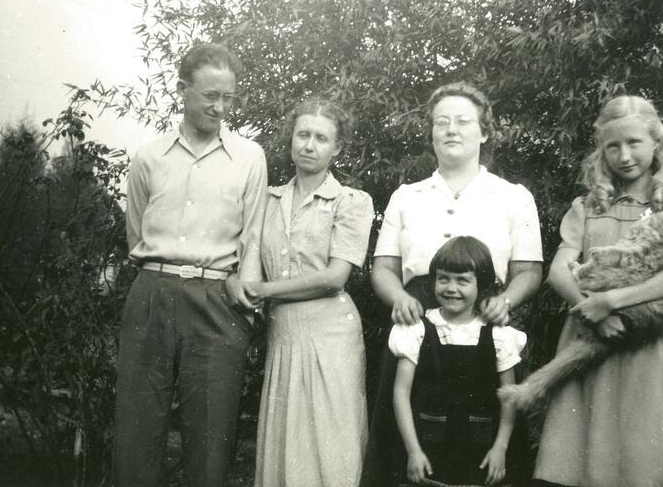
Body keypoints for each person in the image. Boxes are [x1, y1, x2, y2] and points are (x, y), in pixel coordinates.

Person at [362, 82, 544, 486]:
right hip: (417, 323)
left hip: (485, 323)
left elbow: (530, 272)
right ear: (431, 132)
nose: (451, 129)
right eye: (441, 122)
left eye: (463, 121)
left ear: (484, 132)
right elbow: (383, 268)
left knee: (484, 439)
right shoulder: (406, 196)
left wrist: (505, 302)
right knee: (407, 446)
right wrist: (399, 298)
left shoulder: (513, 196)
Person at [533, 95, 663, 487]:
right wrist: (592, 311)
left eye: (634, 143)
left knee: (641, 454)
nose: (624, 155)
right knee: (584, 456)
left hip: (645, 342)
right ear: (602, 150)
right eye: (613, 146)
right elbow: (559, 271)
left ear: (656, 143)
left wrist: (612, 302)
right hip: (588, 333)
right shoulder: (587, 206)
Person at [114, 43, 267, 487]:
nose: (220, 108)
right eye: (210, 96)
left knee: (211, 434)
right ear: (183, 90)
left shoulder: (249, 157)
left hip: (217, 301)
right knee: (137, 428)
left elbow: (253, 237)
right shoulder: (150, 157)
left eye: (228, 98)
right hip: (152, 293)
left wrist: (245, 305)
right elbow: (136, 234)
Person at [231, 99, 374, 487]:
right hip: (284, 334)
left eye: (321, 138)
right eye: (303, 135)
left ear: (337, 148)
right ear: (291, 139)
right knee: (288, 443)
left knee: (330, 444)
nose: (310, 145)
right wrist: (237, 284)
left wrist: (263, 290)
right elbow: (243, 261)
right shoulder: (266, 200)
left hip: (331, 335)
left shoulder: (350, 201)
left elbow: (335, 277)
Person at [391, 236, 525, 486]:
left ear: (481, 283)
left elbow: (509, 396)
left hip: (481, 451)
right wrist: (413, 451)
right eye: (443, 278)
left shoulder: (498, 335)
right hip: (428, 450)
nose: (451, 288)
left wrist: (500, 447)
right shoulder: (417, 329)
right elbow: (401, 392)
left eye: (462, 280)